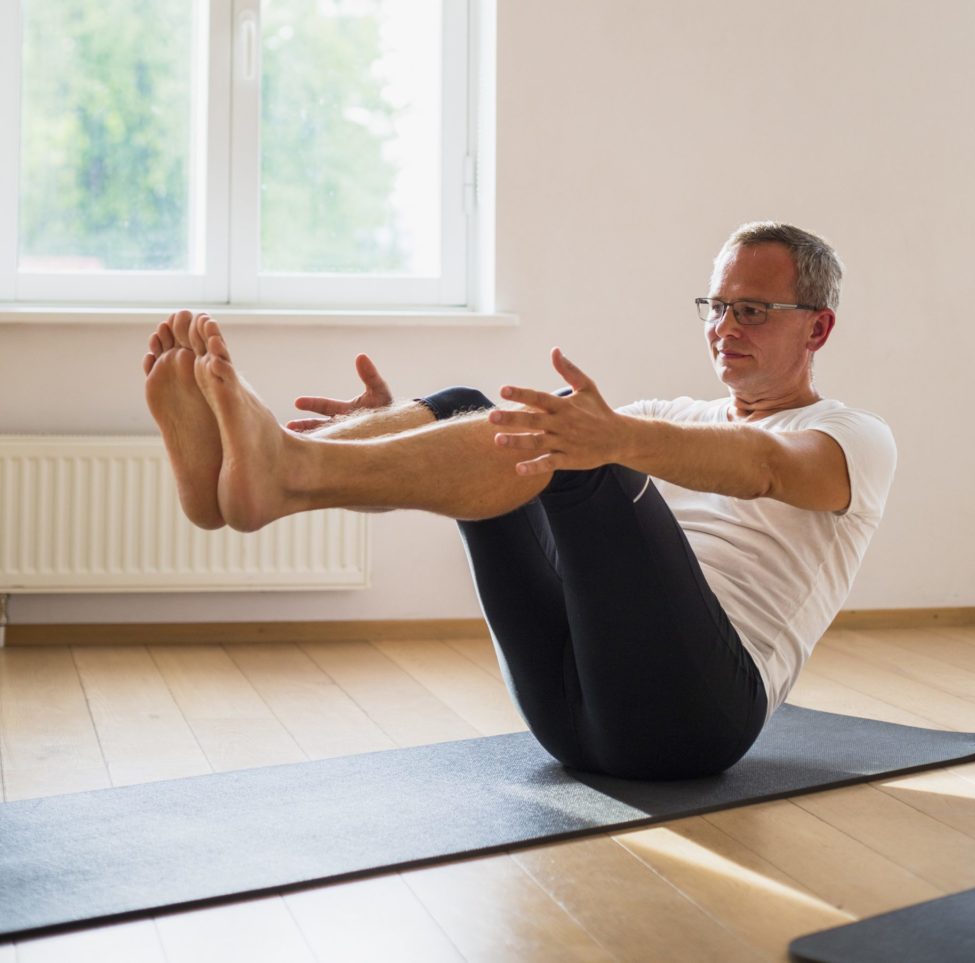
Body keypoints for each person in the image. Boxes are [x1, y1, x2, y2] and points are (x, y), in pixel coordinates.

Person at [143, 221, 896, 780]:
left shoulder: (853, 436)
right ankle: (290, 473)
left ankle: (290, 468)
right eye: (716, 305)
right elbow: (479, 472)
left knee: (573, 440)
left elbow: (764, 466)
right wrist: (374, 437)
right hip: (566, 709)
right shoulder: (674, 414)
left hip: (696, 721)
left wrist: (612, 439)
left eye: (753, 310)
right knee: (480, 409)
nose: (724, 327)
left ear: (818, 326)